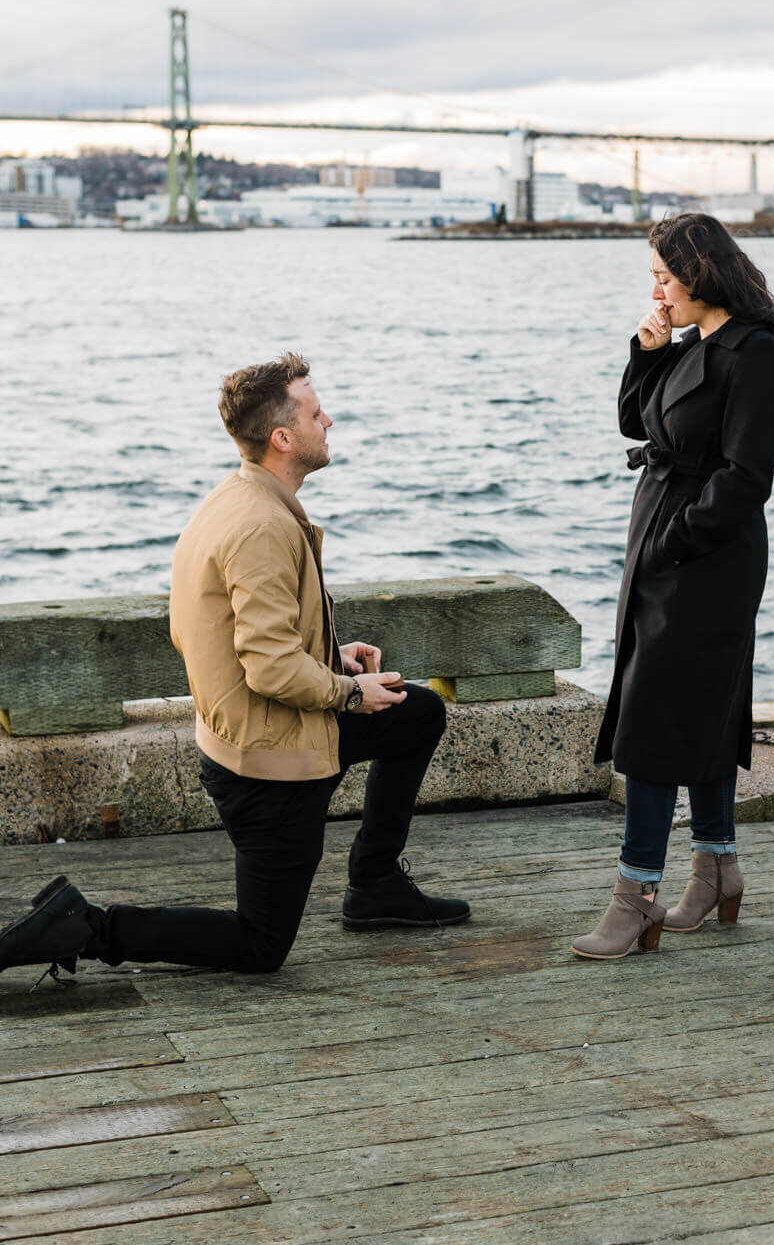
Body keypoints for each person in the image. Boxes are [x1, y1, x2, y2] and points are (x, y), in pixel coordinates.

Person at [1, 352, 469, 986]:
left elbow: (251, 641)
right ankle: (89, 927)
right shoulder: (260, 526)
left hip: (271, 733)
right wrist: (347, 692)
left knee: (418, 712)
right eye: (313, 411)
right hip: (267, 770)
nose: (327, 419)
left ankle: (376, 885)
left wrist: (334, 660)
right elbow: (271, 669)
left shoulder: (242, 496)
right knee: (260, 944)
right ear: (283, 438)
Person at [572, 214, 774, 960]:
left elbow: (749, 478)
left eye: (663, 274)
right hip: (658, 548)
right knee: (703, 708)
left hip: (705, 559)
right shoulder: (688, 346)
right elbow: (634, 425)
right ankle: (717, 867)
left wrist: (680, 543)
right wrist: (645, 353)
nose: (655, 288)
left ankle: (634, 899)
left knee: (654, 720)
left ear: (700, 272)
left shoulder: (754, 355)